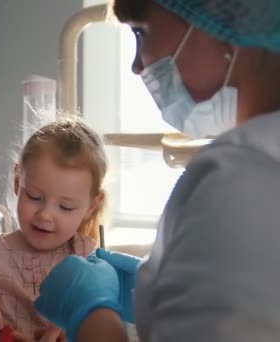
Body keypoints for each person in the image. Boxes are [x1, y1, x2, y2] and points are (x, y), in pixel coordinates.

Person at [35, 0, 280, 341]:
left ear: (224, 21)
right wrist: (160, 285)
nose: (136, 65)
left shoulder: (243, 183)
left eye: (141, 31)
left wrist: (90, 313)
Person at [0, 118, 107, 341]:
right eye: (34, 197)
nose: (45, 215)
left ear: (91, 206)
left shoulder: (90, 259)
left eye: (65, 207)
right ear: (17, 182)